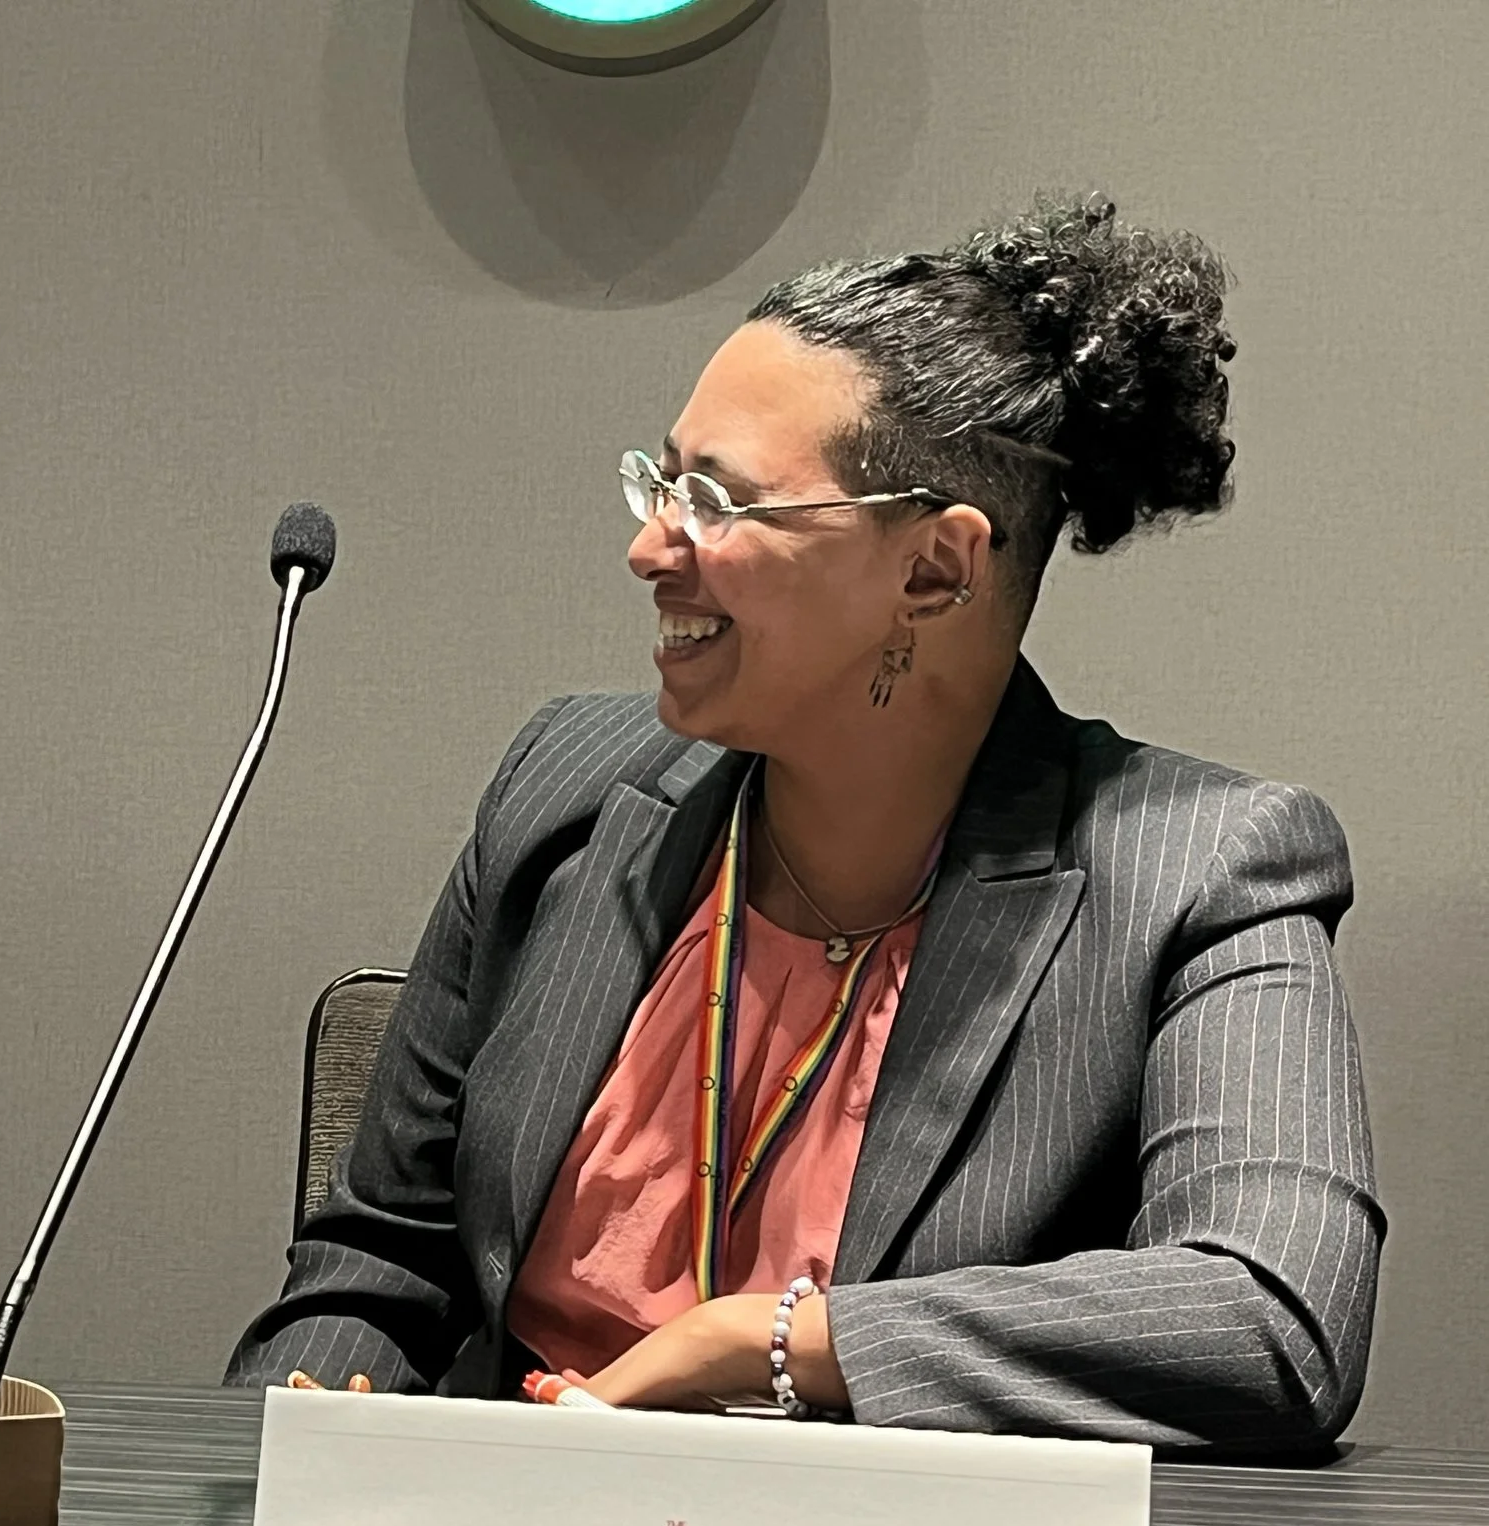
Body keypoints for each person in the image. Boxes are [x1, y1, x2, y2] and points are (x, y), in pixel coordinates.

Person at [228, 198, 1382, 1452]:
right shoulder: (562, 787)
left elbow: (1270, 1315)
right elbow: (378, 1261)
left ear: (933, 570)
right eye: (659, 480)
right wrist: (299, 1470)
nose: (647, 546)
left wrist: (765, 1342)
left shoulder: (1207, 867)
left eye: (716, 500)